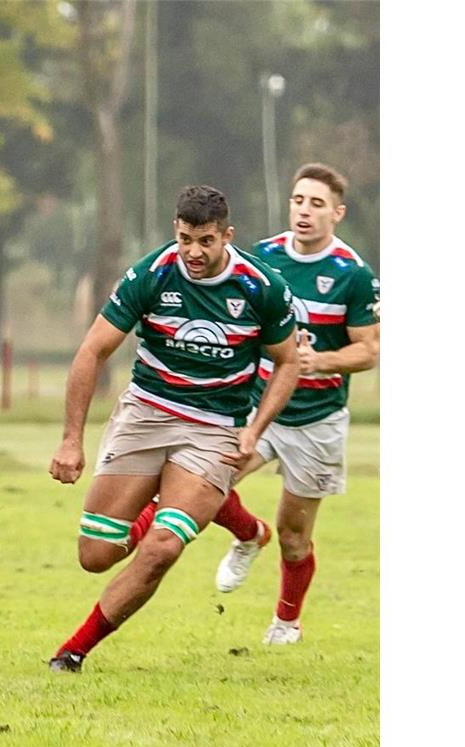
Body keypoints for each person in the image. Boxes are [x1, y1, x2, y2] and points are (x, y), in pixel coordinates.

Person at [46, 185, 300, 673]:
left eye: (206, 241)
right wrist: (71, 439)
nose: (193, 252)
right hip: (146, 413)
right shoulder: (152, 273)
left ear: (227, 235)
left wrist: (254, 430)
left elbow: (288, 361)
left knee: (162, 546)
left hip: (215, 428)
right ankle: (211, 515)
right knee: (95, 554)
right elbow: (92, 351)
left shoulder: (260, 286)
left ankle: (72, 652)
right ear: (175, 231)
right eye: (185, 239)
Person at [137, 163, 380, 645]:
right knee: (204, 483)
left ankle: (286, 622)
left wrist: (319, 362)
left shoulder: (353, 274)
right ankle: (249, 534)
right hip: (256, 409)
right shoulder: (264, 259)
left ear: (337, 213)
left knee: (295, 536)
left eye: (316, 204)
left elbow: (370, 351)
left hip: (317, 420)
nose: (304, 211)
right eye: (298, 200)